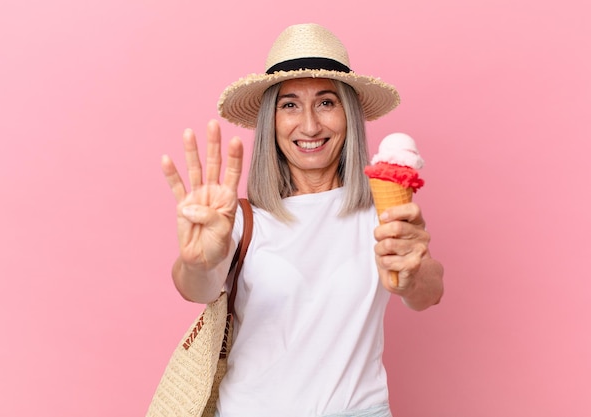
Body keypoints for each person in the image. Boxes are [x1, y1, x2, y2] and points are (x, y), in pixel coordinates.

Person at [161, 23, 444, 417]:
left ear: (348, 113)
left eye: (326, 102)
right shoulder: (240, 219)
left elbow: (427, 292)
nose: (309, 125)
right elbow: (196, 286)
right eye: (289, 104)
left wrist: (414, 271)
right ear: (270, 121)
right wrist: (197, 262)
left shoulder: (383, 212)